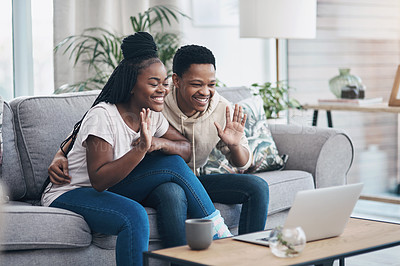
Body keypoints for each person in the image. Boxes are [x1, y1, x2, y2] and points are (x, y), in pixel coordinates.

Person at [48, 43, 269, 248]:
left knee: (256, 187)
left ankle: (248, 254)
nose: (205, 92)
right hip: (145, 176)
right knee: (171, 183)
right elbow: (88, 129)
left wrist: (234, 145)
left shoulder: (219, 108)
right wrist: (60, 153)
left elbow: (240, 161)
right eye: (196, 84)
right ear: (177, 81)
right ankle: (211, 236)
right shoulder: (156, 99)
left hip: (190, 179)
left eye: (210, 84)